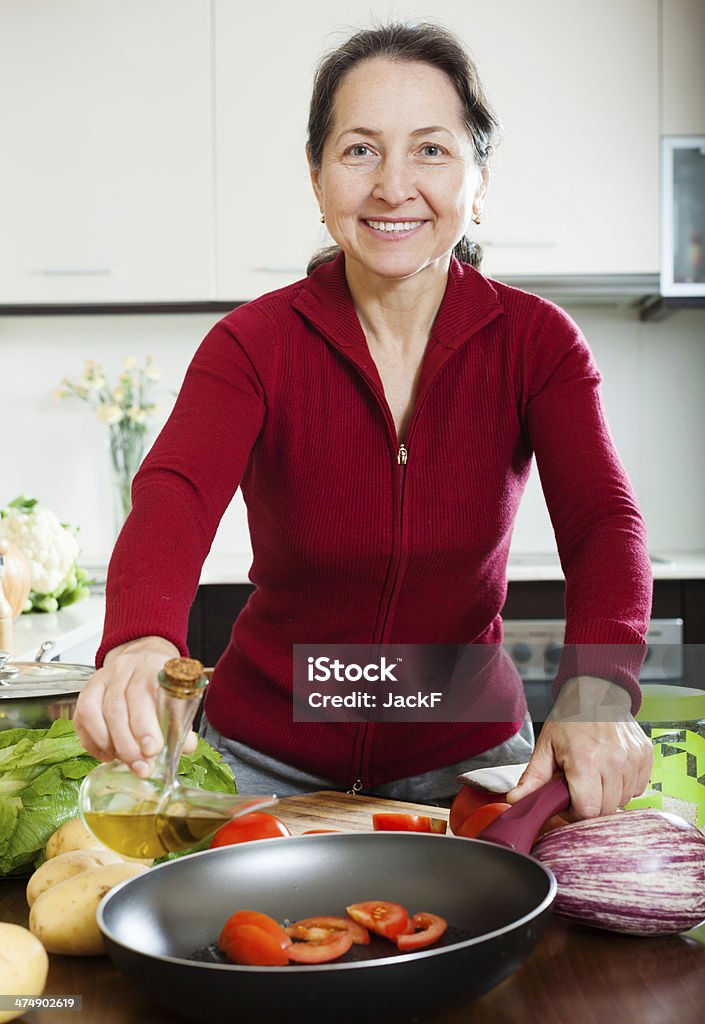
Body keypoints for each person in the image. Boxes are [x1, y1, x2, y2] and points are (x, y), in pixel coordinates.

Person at [74, 22, 653, 819]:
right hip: (259, 761)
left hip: (472, 758)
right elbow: (175, 491)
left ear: (478, 181)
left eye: (430, 150)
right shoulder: (252, 343)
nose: (391, 185)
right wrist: (140, 638)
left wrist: (596, 690)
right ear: (316, 178)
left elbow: (602, 523)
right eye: (358, 150)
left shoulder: (537, 343)